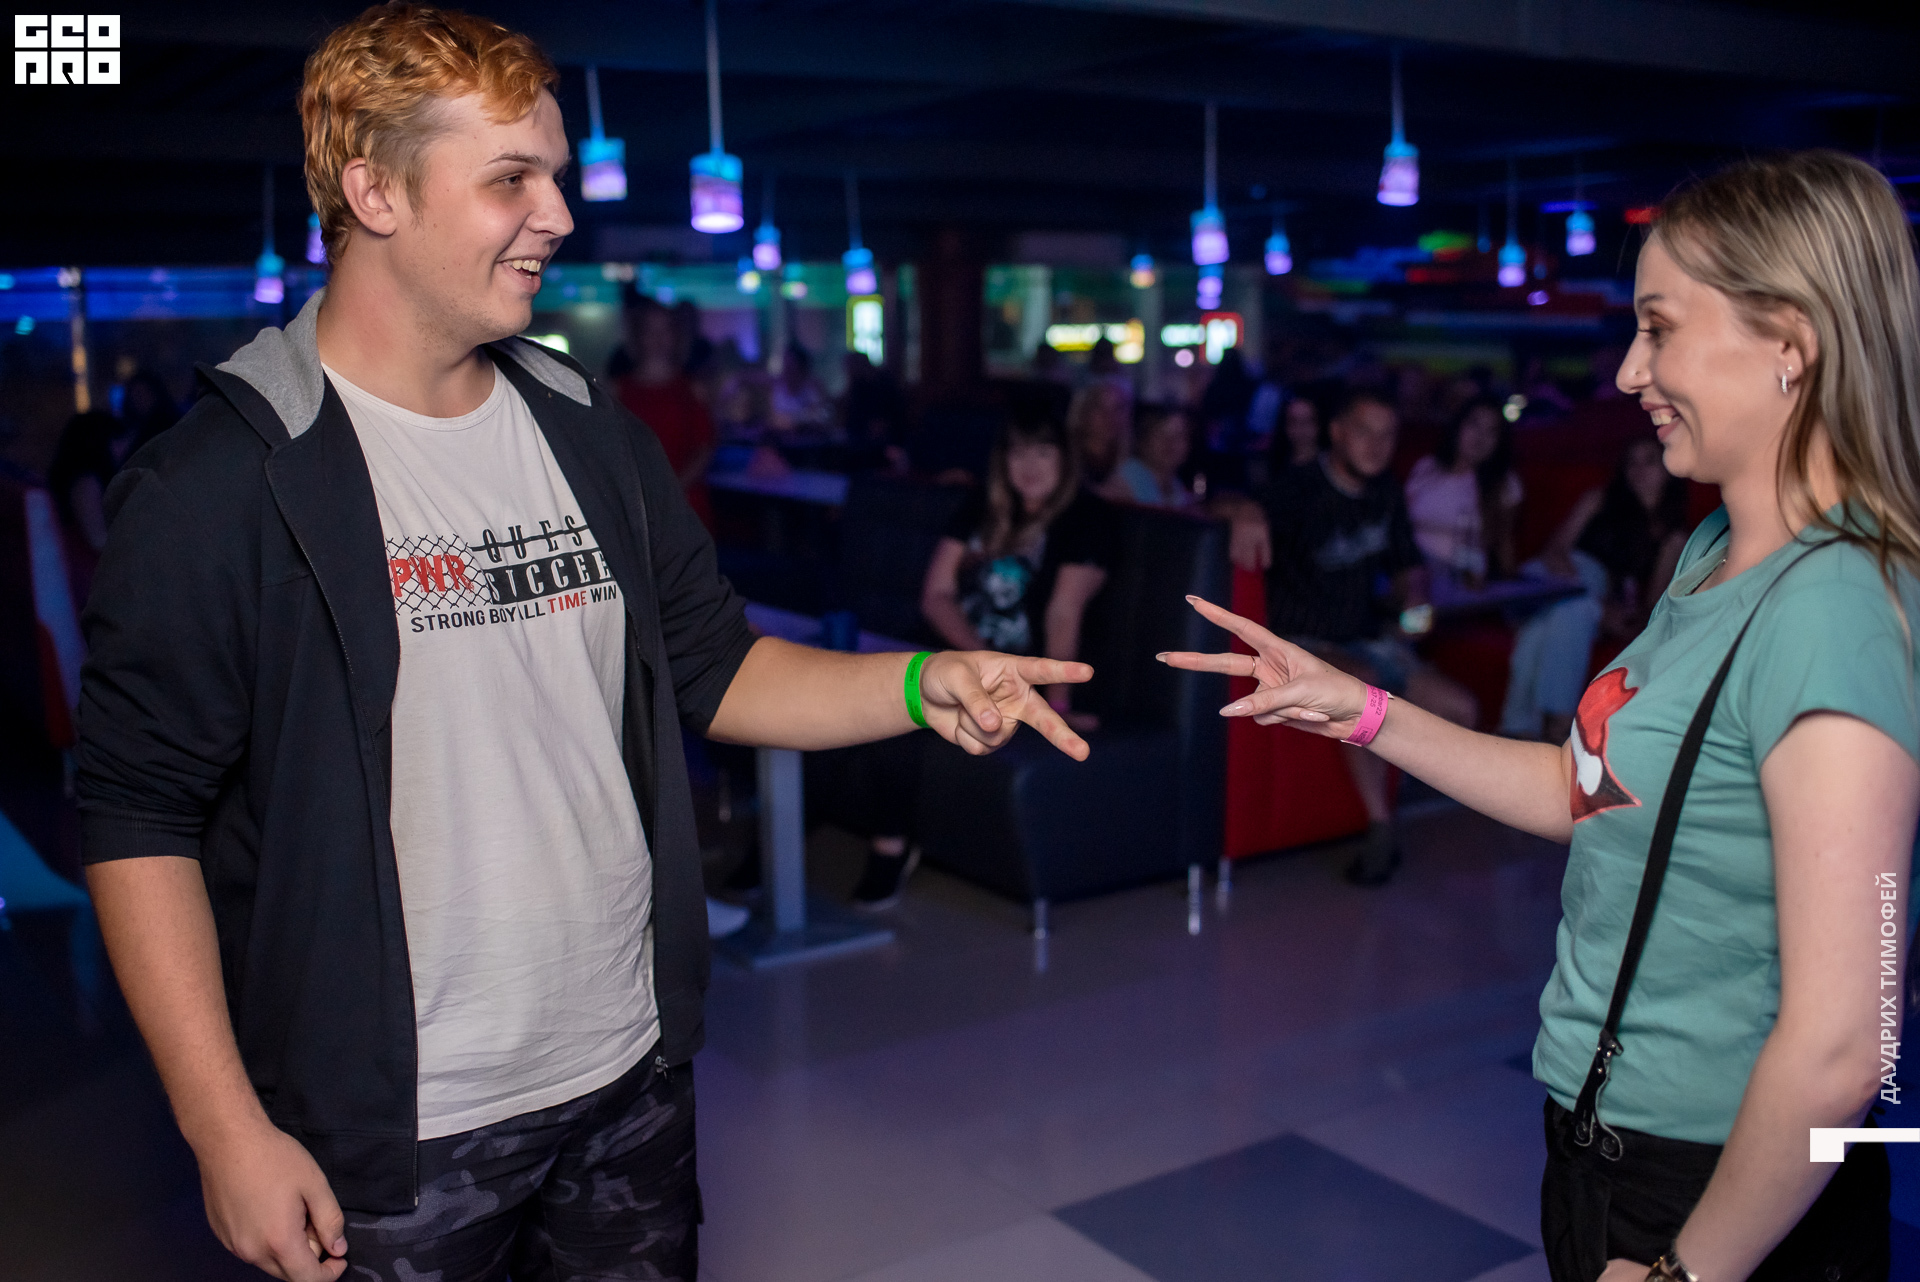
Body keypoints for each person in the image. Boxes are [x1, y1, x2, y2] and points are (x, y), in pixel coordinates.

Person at [72, 10, 1092, 1282]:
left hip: (628, 1074)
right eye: (511, 178)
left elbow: (718, 666)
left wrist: (924, 680)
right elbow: (138, 815)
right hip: (392, 1125)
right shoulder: (220, 482)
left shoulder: (588, 431)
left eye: (554, 175)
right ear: (373, 192)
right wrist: (222, 1126)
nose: (558, 215)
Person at [1165, 151, 1917, 1282]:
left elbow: (1850, 1043)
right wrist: (1362, 709)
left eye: (1658, 330)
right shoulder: (1715, 551)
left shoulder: (1836, 610)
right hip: (1610, 1146)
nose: (1627, 371)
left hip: (1714, 1188)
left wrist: (1684, 1272)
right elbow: (1585, 788)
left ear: (1790, 345)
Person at [809, 413, 1113, 908]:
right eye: (1018, 452)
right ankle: (777, 841)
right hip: (958, 651)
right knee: (844, 701)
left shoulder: (1086, 517)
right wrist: (974, 659)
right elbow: (936, 594)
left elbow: (1064, 613)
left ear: (1065, 460)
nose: (1029, 466)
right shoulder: (983, 505)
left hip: (1022, 671)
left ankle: (891, 844)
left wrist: (1056, 706)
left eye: (1043, 453)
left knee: (903, 712)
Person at [1258, 386, 1478, 883]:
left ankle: (1398, 788)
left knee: (1461, 711)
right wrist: (1240, 511)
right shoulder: (1296, 489)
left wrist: (1415, 608)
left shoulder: (1386, 491)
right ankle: (1381, 831)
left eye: (1387, 434)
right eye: (1364, 431)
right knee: (1363, 687)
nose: (1376, 445)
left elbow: (1408, 569)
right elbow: (1229, 506)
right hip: (1300, 641)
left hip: (1366, 637)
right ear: (1336, 433)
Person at [1502, 437, 1690, 742]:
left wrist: (1606, 609)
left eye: (1649, 461)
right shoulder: (1599, 500)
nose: (1638, 469)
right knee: (1571, 605)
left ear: (1669, 469)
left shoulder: (1673, 537)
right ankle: (1557, 727)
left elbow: (1652, 606)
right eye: (1632, 462)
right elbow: (1556, 549)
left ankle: (1519, 727)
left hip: (1578, 603)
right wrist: (1575, 585)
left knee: (1563, 616)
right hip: (1553, 579)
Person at [613, 291, 717, 529]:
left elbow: (705, 448)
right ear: (638, 335)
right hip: (638, 506)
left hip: (686, 504)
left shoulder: (692, 388)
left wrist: (674, 490)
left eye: (665, 330)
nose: (658, 338)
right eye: (650, 330)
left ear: (676, 335)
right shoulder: (618, 391)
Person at [1404, 396, 1523, 586]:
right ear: (1459, 426)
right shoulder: (1427, 467)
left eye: (1491, 431)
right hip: (1411, 567)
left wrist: (1513, 585)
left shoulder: (1504, 483)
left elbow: (1504, 542)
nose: (1480, 437)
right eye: (1474, 424)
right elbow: (1400, 524)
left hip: (1460, 575)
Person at [1113, 404, 1195, 508]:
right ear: (1144, 440)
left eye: (1179, 435)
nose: (1170, 442)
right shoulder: (1125, 481)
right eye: (1160, 433)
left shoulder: (1178, 490)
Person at [1066, 379, 1130, 492]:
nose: (1109, 416)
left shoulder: (1130, 465)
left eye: (1118, 408)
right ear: (1082, 411)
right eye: (1099, 407)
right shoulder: (1065, 458)